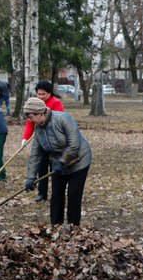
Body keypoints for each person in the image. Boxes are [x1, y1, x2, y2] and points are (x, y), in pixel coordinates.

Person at [23, 97, 92, 226]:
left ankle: (73, 227)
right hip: (57, 163)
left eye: (30, 116)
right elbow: (35, 155)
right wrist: (30, 178)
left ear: (41, 113)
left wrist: (63, 161)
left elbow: (74, 144)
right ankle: (56, 226)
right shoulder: (38, 130)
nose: (29, 120)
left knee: (73, 195)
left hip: (79, 160)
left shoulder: (62, 119)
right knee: (56, 195)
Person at [22, 80, 65, 202]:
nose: (41, 96)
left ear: (50, 93)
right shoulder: (34, 104)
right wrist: (26, 137)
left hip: (54, 141)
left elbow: (59, 122)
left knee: (54, 168)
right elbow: (30, 122)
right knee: (41, 166)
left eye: (43, 94)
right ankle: (42, 193)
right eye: (39, 94)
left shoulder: (56, 103)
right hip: (41, 140)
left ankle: (57, 193)